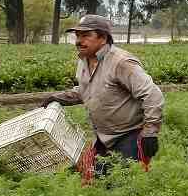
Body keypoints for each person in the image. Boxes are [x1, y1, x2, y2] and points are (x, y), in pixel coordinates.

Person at [43, 15, 164, 177]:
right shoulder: (84, 61)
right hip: (103, 137)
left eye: (86, 35)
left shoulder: (121, 62)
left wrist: (150, 132)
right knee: (94, 181)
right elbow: (87, 90)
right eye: (77, 36)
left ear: (103, 37)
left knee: (122, 185)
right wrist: (59, 97)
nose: (79, 41)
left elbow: (152, 94)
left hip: (129, 134)